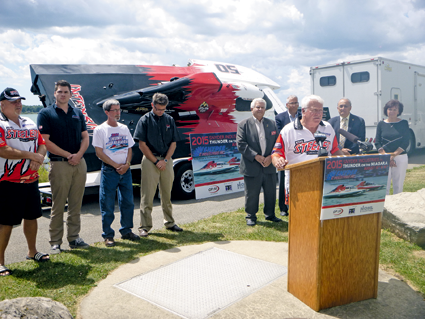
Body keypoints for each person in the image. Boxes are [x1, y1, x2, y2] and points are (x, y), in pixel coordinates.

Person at [0, 88, 49, 277]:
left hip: (31, 180)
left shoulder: (29, 121)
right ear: (2, 104)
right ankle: (0, 261)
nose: (18, 104)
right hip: (8, 181)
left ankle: (32, 251)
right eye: (13, 101)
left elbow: (42, 143)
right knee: (5, 223)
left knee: (32, 217)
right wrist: (31, 155)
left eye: (19, 100)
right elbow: (3, 150)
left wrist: (39, 159)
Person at [37, 80, 89, 254]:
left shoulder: (77, 113)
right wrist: (68, 155)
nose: (63, 94)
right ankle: (55, 242)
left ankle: (74, 238)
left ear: (70, 94)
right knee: (58, 205)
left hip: (79, 163)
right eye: (60, 92)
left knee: (76, 204)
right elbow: (45, 141)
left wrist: (79, 155)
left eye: (66, 92)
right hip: (60, 164)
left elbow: (85, 137)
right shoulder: (46, 113)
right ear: (55, 93)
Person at [272, 95, 343, 198]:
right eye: (314, 110)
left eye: (321, 111)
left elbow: (335, 150)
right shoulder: (288, 130)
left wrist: (345, 162)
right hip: (297, 185)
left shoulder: (327, 128)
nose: (318, 114)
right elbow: (276, 153)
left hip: (325, 183)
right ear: (304, 111)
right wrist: (278, 161)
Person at [133, 93, 183, 237]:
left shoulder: (169, 119)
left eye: (163, 109)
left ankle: (170, 222)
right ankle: (145, 226)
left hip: (166, 160)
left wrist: (165, 160)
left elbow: (174, 142)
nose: (161, 112)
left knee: (167, 193)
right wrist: (155, 161)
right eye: (158, 109)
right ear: (152, 105)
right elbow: (141, 145)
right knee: (147, 195)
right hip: (150, 160)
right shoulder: (144, 120)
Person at [92, 99, 140, 247]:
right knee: (107, 203)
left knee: (128, 202)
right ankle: (108, 235)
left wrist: (127, 165)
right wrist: (115, 165)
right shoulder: (100, 130)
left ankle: (126, 231)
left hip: (125, 171)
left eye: (119, 110)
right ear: (107, 112)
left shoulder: (124, 128)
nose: (118, 113)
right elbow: (99, 152)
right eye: (115, 110)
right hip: (109, 171)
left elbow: (130, 148)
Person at [237, 98, 281, 226]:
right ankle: (251, 216)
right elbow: (241, 144)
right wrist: (256, 156)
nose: (260, 109)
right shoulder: (243, 124)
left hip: (269, 165)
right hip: (252, 165)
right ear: (252, 109)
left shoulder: (272, 124)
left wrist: (270, 157)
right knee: (252, 193)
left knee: (271, 192)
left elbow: (277, 143)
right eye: (258, 107)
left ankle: (270, 214)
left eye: (262, 107)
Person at [375, 100, 409, 195]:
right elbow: (377, 142)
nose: (392, 111)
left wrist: (393, 156)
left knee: (398, 185)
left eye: (395, 109)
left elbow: (405, 142)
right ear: (386, 110)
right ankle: (385, 207)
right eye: (390, 109)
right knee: (384, 185)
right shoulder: (381, 124)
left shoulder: (404, 123)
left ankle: (397, 207)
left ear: (399, 111)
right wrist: (386, 156)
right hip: (383, 157)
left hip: (400, 157)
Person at [275, 95, 299, 216]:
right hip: (284, 153)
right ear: (287, 105)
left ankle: (297, 205)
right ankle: (283, 208)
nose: (294, 105)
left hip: (299, 153)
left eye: (295, 103)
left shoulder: (302, 117)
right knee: (283, 180)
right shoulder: (280, 117)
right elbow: (280, 135)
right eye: (291, 103)